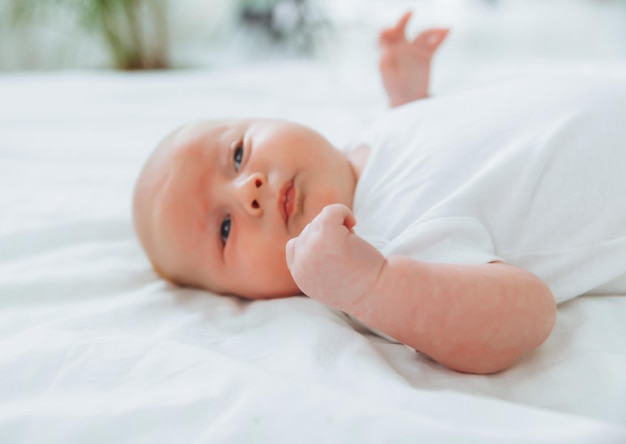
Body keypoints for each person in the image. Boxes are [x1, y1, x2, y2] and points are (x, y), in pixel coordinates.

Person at [132, 12, 626, 374]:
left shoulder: (364, 140)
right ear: (245, 295)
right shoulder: (383, 256)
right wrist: (374, 287)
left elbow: (457, 171)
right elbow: (526, 315)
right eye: (224, 229)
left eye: (238, 155)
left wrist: (410, 102)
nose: (249, 191)